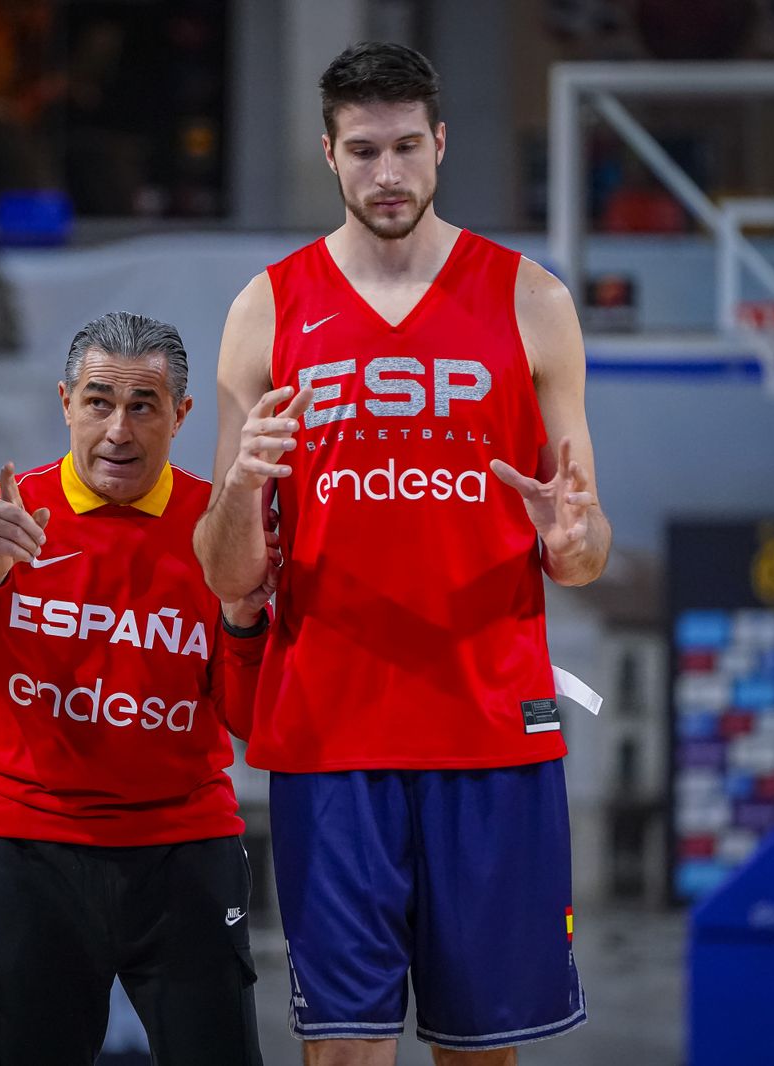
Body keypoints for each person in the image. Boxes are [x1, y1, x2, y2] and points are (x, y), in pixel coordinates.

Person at [194, 43, 612, 1066]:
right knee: (343, 1051)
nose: (390, 173)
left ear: (441, 144)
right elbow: (225, 572)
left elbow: (584, 549)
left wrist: (574, 535)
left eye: (408, 148)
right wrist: (244, 484)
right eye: (365, 150)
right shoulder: (267, 307)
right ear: (329, 154)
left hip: (492, 731)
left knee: (482, 1049)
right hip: (331, 734)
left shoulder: (530, 299)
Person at [0, 311, 272, 1066]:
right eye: (98, 402)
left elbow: (253, 722)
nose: (118, 430)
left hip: (183, 851)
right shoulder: (2, 515)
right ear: (65, 403)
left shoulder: (218, 528)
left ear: (181, 416)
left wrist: (242, 624)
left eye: (142, 406)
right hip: (28, 849)